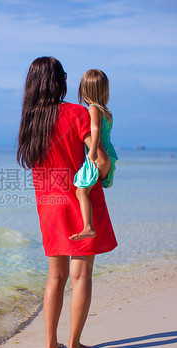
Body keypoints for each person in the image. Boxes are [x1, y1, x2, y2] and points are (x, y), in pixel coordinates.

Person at [17, 57, 117, 348]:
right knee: (81, 275)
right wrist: (106, 171)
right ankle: (74, 345)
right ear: (58, 81)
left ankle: (50, 343)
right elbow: (99, 159)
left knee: (55, 277)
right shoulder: (76, 113)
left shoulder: (31, 120)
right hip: (79, 200)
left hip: (49, 203)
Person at [69, 69, 118, 241]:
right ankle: (89, 226)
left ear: (84, 90)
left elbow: (95, 129)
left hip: (98, 155)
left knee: (81, 191)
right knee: (92, 188)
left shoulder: (93, 108)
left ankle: (88, 227)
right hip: (109, 156)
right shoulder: (107, 111)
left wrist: (92, 150)